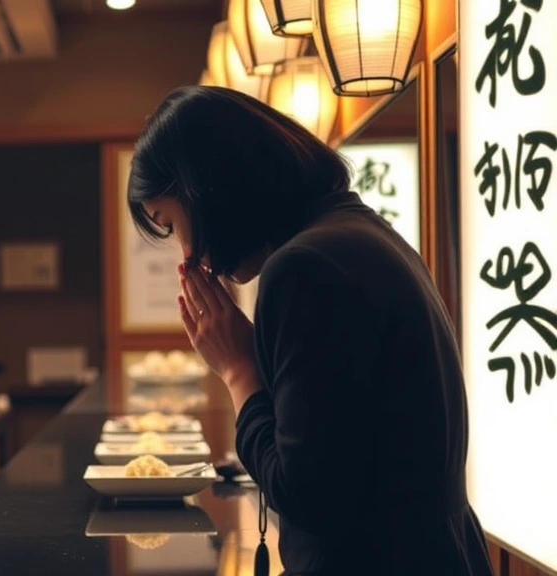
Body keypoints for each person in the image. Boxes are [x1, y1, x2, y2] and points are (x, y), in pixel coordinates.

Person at [127, 86, 494, 576]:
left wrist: (238, 371)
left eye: (171, 225)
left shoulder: (304, 267)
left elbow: (307, 496)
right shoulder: (353, 232)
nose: (187, 256)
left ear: (208, 190)